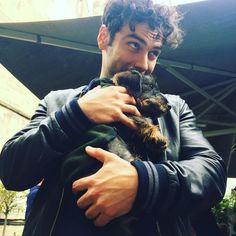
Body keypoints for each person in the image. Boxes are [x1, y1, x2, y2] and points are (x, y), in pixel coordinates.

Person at [0, 0, 226, 235]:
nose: (143, 64)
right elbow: (11, 171)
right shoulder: (57, 102)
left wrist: (143, 183)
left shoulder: (174, 109)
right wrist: (77, 114)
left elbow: (212, 174)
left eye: (154, 52)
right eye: (134, 44)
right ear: (103, 37)